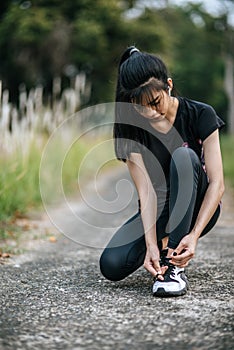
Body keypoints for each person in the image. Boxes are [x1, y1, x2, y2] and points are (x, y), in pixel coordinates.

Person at [99, 46, 225, 297]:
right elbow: (146, 192)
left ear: (168, 85)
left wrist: (195, 235)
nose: (151, 113)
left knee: (184, 155)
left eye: (156, 102)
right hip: (160, 207)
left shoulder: (201, 114)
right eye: (141, 107)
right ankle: (163, 246)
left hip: (197, 206)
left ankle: (173, 266)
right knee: (112, 265)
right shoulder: (131, 129)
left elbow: (217, 184)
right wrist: (150, 245)